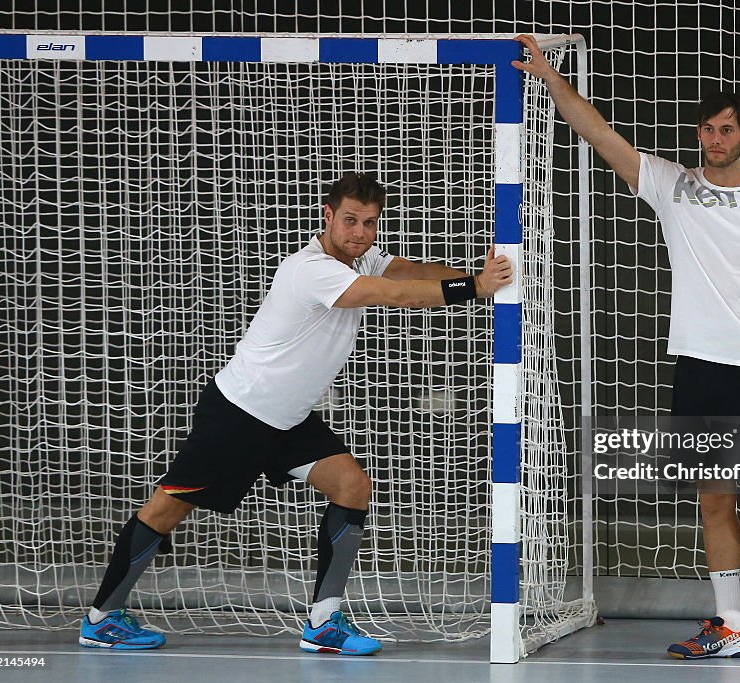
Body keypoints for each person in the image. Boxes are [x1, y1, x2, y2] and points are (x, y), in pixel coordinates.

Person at [78, 172, 513, 654]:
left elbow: (406, 273)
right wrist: (474, 288)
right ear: (327, 216)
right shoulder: (309, 268)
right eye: (350, 221)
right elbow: (389, 295)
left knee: (352, 486)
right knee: (167, 508)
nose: (360, 233)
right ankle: (101, 619)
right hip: (240, 413)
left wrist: (476, 273)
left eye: (370, 223)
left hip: (288, 420)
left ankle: (324, 625)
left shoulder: (362, 255)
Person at [513, 35, 740, 660]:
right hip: (699, 367)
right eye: (707, 130)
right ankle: (730, 626)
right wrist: (548, 78)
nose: (715, 139)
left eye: (726, 130)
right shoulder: (673, 186)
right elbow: (602, 137)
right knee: (711, 499)